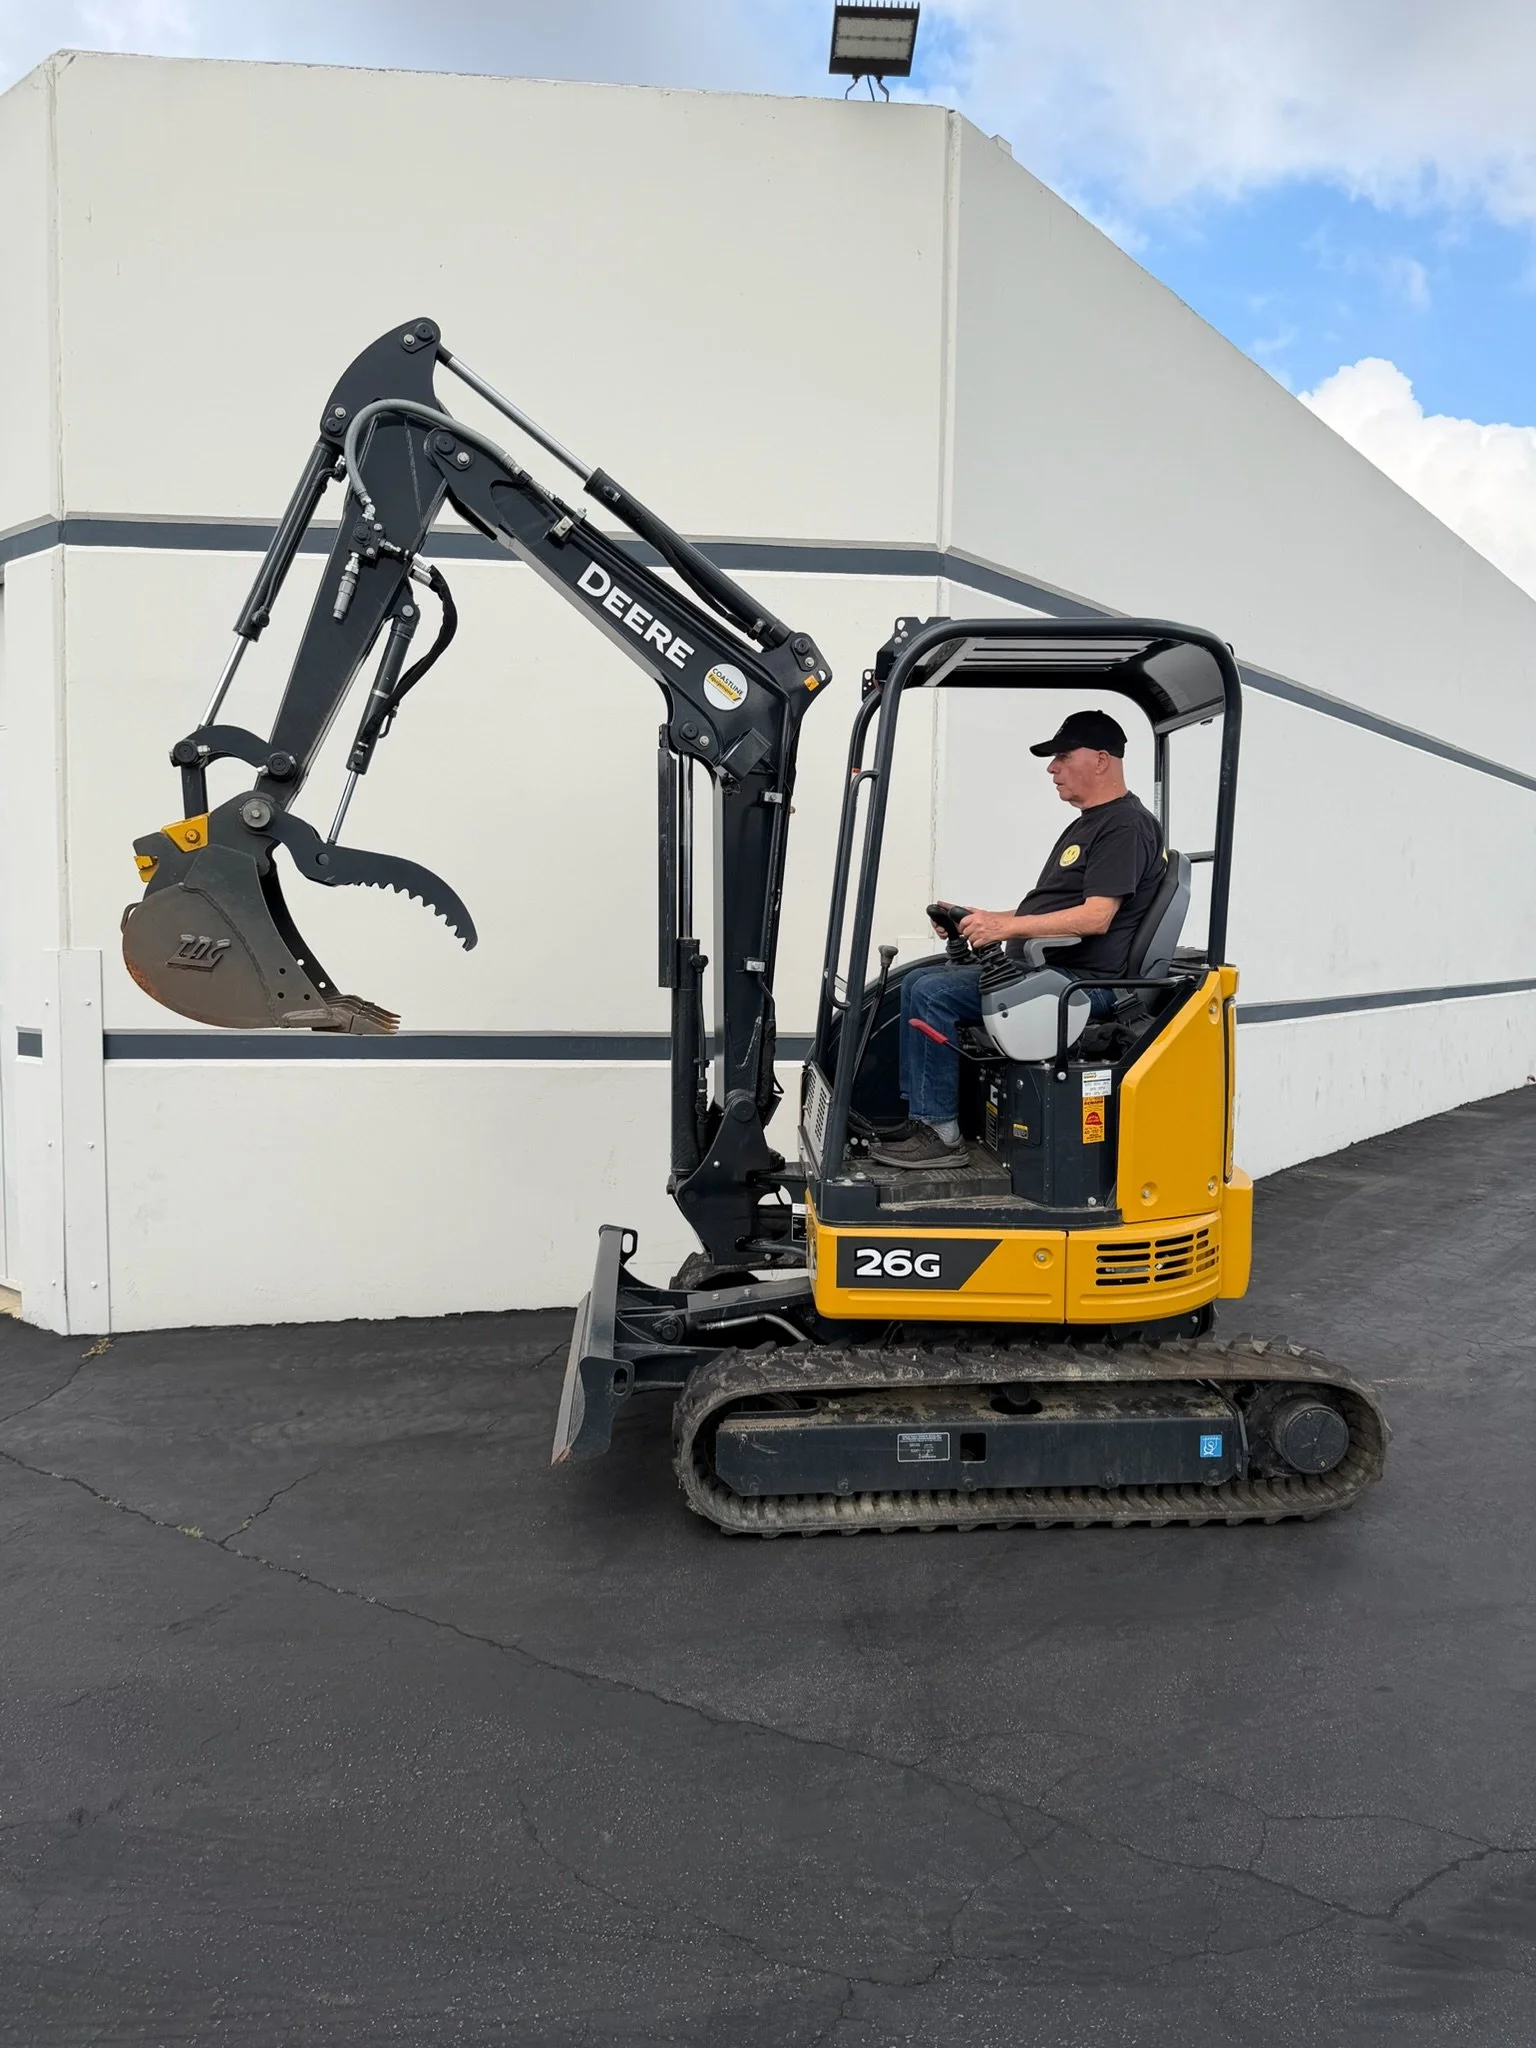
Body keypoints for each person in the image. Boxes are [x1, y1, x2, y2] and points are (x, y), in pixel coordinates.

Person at [872, 709, 1164, 1170]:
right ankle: (925, 1120)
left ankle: (941, 1135)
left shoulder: (1124, 825)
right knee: (916, 984)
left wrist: (1004, 929)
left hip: (1086, 986)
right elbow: (1044, 912)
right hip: (1055, 974)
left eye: (1063, 757)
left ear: (1102, 760)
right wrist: (981, 918)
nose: (1052, 768)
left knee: (933, 993)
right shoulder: (1089, 823)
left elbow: (1096, 917)